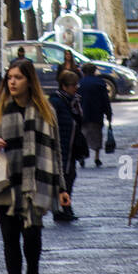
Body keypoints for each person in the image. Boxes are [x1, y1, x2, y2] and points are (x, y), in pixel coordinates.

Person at [0, 57, 70, 274]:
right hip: (5, 183)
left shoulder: (45, 110)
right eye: (9, 77)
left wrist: (61, 187)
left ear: (30, 81)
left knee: (32, 236)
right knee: (10, 239)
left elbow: (56, 151)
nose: (12, 82)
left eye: (18, 77)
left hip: (36, 183)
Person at [50, 70, 84, 220]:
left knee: (70, 177)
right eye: (72, 85)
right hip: (61, 147)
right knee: (64, 178)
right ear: (64, 86)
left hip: (71, 147)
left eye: (77, 84)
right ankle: (62, 209)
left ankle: (66, 207)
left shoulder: (74, 101)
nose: (76, 87)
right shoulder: (56, 102)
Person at [78, 62, 113, 166]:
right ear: (94, 71)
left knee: (83, 135)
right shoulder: (100, 83)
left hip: (83, 114)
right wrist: (109, 114)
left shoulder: (80, 84)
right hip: (97, 114)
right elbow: (105, 100)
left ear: (83, 72)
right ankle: (97, 157)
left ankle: (82, 156)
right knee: (97, 135)